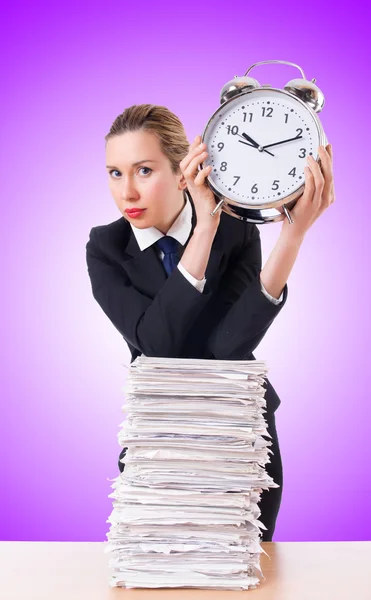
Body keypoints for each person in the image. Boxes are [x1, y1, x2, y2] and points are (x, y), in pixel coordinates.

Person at [86, 104, 335, 541]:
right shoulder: (106, 248)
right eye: (114, 173)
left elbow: (229, 344)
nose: (127, 192)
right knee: (155, 571)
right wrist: (202, 232)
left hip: (239, 435)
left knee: (246, 571)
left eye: (143, 170)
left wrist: (293, 236)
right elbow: (155, 344)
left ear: (184, 172)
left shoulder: (238, 234)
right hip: (158, 439)